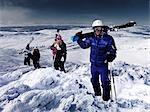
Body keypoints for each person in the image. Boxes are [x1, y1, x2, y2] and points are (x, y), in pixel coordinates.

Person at [75, 20, 117, 101]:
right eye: (95, 29)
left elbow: (113, 50)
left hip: (103, 65)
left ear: (102, 29)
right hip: (94, 65)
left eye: (99, 29)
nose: (97, 31)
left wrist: (111, 56)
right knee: (94, 81)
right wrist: (78, 39)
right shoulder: (91, 38)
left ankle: (106, 98)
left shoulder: (108, 39)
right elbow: (84, 45)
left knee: (105, 82)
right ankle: (97, 95)